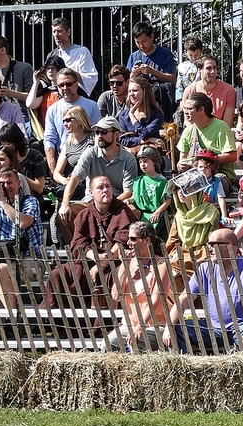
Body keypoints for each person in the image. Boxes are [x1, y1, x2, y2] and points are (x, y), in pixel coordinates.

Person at [164, 228, 243, 354]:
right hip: (212, 328)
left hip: (241, 326)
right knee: (176, 328)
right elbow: (184, 299)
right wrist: (169, 327)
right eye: (208, 244)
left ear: (230, 246)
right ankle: (180, 370)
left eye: (213, 244)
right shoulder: (204, 268)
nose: (209, 248)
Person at [42, 175, 135, 311]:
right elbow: (78, 243)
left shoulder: (122, 211)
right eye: (100, 187)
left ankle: (107, 327)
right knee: (59, 274)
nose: (105, 190)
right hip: (90, 260)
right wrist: (96, 258)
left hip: (116, 261)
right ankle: (62, 325)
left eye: (108, 186)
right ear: (91, 192)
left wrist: (102, 263)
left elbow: (124, 240)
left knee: (113, 277)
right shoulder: (85, 214)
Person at [0, 168, 43, 310]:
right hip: (3, 257)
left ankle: (10, 320)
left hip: (30, 260)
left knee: (2, 269)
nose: (6, 187)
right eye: (1, 183)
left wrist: (3, 203)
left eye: (9, 183)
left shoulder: (30, 201)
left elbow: (22, 223)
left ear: (19, 184)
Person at [104, 221, 172, 352]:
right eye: (128, 238)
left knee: (135, 343)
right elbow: (116, 296)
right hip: (129, 324)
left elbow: (156, 300)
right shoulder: (128, 263)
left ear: (146, 240)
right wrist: (125, 265)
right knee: (107, 345)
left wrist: (140, 326)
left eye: (133, 239)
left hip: (154, 324)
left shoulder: (161, 265)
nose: (128, 243)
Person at [59, 116, 138, 225]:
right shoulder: (90, 153)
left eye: (104, 132)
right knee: (65, 215)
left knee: (133, 213)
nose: (99, 136)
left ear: (116, 135)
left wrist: (107, 204)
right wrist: (65, 204)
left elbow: (128, 192)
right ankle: (76, 242)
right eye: (97, 132)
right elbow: (74, 179)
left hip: (117, 203)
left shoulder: (128, 159)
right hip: (90, 202)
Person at [43, 67, 101, 174]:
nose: (65, 88)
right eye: (61, 85)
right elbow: (49, 139)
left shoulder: (92, 105)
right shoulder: (52, 109)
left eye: (68, 84)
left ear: (76, 84)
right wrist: (53, 167)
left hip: (88, 160)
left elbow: (98, 134)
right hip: (64, 161)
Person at [176, 92, 237, 183]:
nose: (185, 112)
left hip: (219, 175)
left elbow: (232, 156)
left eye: (189, 109)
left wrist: (208, 159)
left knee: (210, 185)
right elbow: (182, 160)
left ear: (201, 110)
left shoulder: (221, 127)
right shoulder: (188, 131)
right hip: (195, 175)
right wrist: (180, 165)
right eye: (185, 108)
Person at [126, 20, 177, 121]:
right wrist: (133, 74)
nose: (141, 46)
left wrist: (153, 72)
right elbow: (128, 82)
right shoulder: (134, 56)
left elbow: (173, 79)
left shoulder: (165, 54)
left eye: (144, 41)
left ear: (152, 36)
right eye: (137, 42)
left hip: (161, 100)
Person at [51, 105, 95, 201]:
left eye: (68, 120)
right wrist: (64, 180)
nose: (65, 124)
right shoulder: (68, 145)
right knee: (61, 193)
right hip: (75, 182)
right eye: (63, 121)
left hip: (92, 180)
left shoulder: (94, 138)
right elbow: (57, 173)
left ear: (79, 120)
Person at [0, 35, 34, 116]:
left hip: (23, 115)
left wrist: (12, 93)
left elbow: (32, 97)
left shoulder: (24, 68)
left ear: (3, 50)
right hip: (0, 116)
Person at [49, 16, 98, 97]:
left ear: (68, 32)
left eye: (59, 31)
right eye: (54, 31)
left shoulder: (82, 51)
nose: (56, 35)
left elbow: (90, 78)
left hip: (77, 96)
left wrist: (66, 70)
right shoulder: (52, 55)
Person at [182, 55, 236, 127]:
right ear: (199, 69)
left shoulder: (228, 90)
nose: (213, 71)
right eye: (208, 68)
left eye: (215, 68)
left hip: (219, 132)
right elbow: (187, 121)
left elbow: (227, 124)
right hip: (195, 133)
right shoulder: (190, 90)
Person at [117, 75, 166, 155]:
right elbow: (122, 140)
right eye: (129, 91)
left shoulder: (156, 114)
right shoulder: (123, 115)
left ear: (144, 92)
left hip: (149, 156)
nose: (131, 94)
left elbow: (144, 134)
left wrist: (132, 116)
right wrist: (145, 141)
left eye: (135, 90)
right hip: (128, 156)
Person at [0, 123, 47, 197]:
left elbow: (39, 188)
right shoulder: (3, 158)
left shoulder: (35, 156)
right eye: (2, 144)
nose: (5, 147)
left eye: (8, 144)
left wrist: (17, 174)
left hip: (31, 199)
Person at [132, 146, 172, 239]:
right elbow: (135, 197)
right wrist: (128, 201)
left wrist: (157, 212)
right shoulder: (139, 180)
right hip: (142, 216)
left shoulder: (162, 181)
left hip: (157, 216)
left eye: (146, 161)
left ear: (154, 162)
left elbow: (168, 200)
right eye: (140, 162)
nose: (142, 165)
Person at [25, 54, 65, 125]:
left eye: (53, 68)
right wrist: (36, 83)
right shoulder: (45, 92)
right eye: (48, 68)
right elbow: (30, 104)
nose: (50, 71)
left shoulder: (68, 90)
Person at [175, 36, 203, 102]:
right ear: (186, 52)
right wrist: (180, 99)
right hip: (186, 98)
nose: (194, 58)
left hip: (200, 98)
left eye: (196, 54)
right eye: (190, 55)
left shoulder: (204, 65)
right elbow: (179, 84)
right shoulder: (182, 67)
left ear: (201, 51)